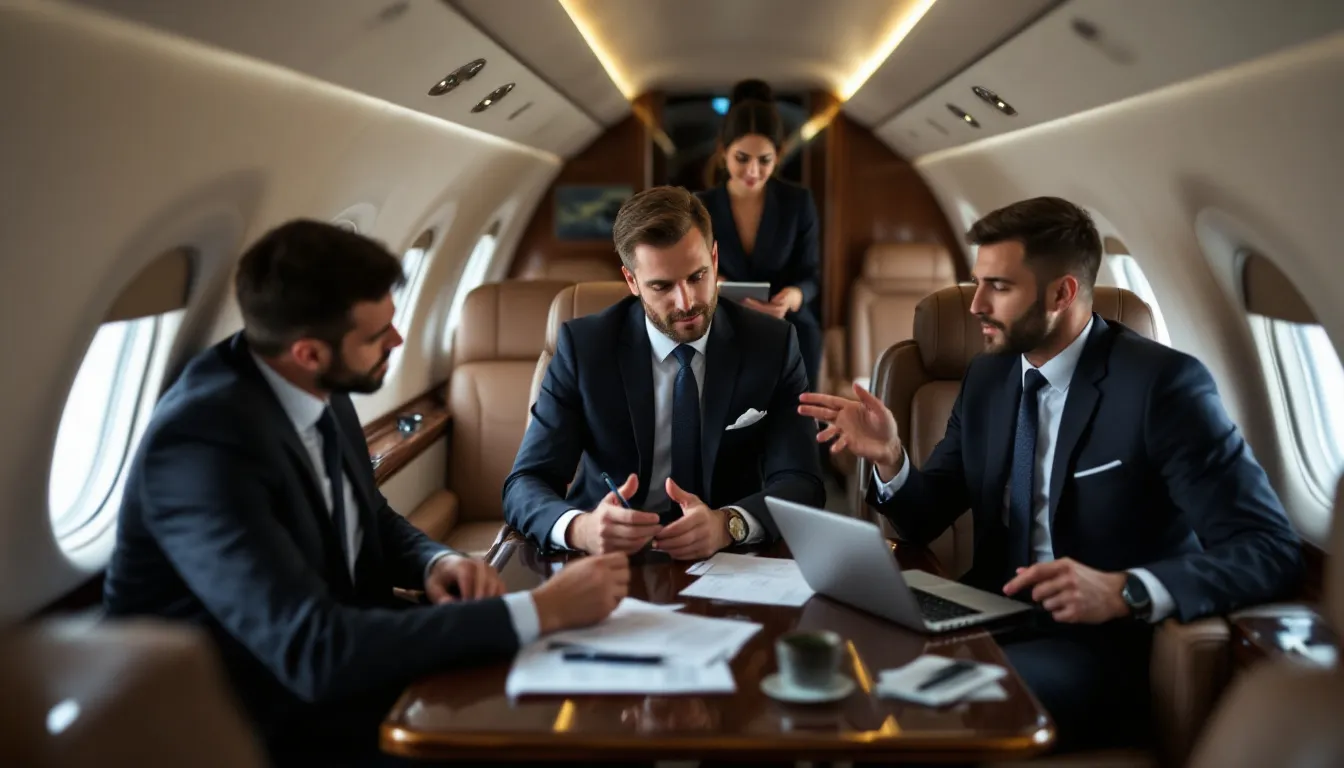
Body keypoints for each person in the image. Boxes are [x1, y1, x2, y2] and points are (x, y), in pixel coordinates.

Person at [102, 220, 630, 766]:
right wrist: (538, 611)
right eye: (377, 335)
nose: (397, 342)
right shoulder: (202, 446)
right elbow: (314, 649)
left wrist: (434, 560)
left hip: (336, 661)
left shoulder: (318, 386)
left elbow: (368, 513)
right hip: (246, 713)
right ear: (308, 352)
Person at [797, 197, 1304, 752]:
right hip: (986, 610)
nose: (976, 306)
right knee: (838, 666)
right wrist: (892, 459)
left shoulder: (1163, 387)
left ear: (1062, 293)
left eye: (1000, 287)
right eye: (976, 284)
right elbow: (925, 516)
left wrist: (1126, 589)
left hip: (1097, 645)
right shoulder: (989, 377)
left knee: (909, 709)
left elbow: (1269, 548)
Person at [503, 186, 825, 559]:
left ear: (715, 260)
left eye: (697, 276)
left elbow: (802, 482)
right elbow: (525, 482)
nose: (686, 302)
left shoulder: (773, 344)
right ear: (631, 281)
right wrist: (581, 528)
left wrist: (729, 523)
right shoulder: (585, 348)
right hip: (609, 559)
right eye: (662, 286)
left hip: (728, 558)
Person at [695, 85, 822, 392]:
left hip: (788, 325)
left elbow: (811, 276)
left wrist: (793, 296)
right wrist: (721, 285)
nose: (753, 170)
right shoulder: (701, 205)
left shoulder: (798, 202)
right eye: (742, 158)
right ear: (723, 152)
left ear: (778, 156)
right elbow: (694, 272)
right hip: (722, 324)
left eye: (764, 160)